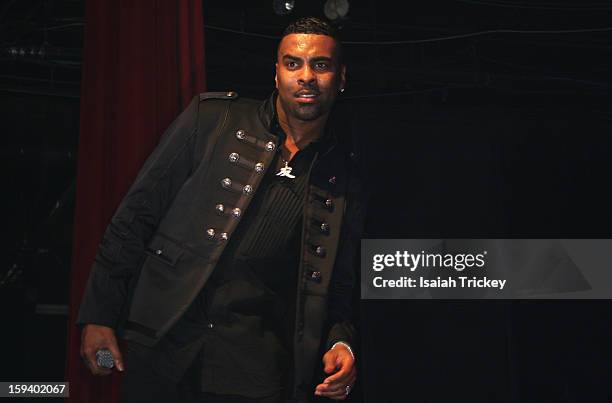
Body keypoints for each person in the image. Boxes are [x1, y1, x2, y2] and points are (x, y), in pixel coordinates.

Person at [77, 17, 366, 403]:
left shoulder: (343, 177)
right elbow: (136, 217)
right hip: (166, 340)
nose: (306, 76)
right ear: (276, 73)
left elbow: (339, 284)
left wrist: (340, 343)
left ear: (341, 78)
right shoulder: (213, 119)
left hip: (254, 367)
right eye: (293, 63)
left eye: (321, 65)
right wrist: (100, 314)